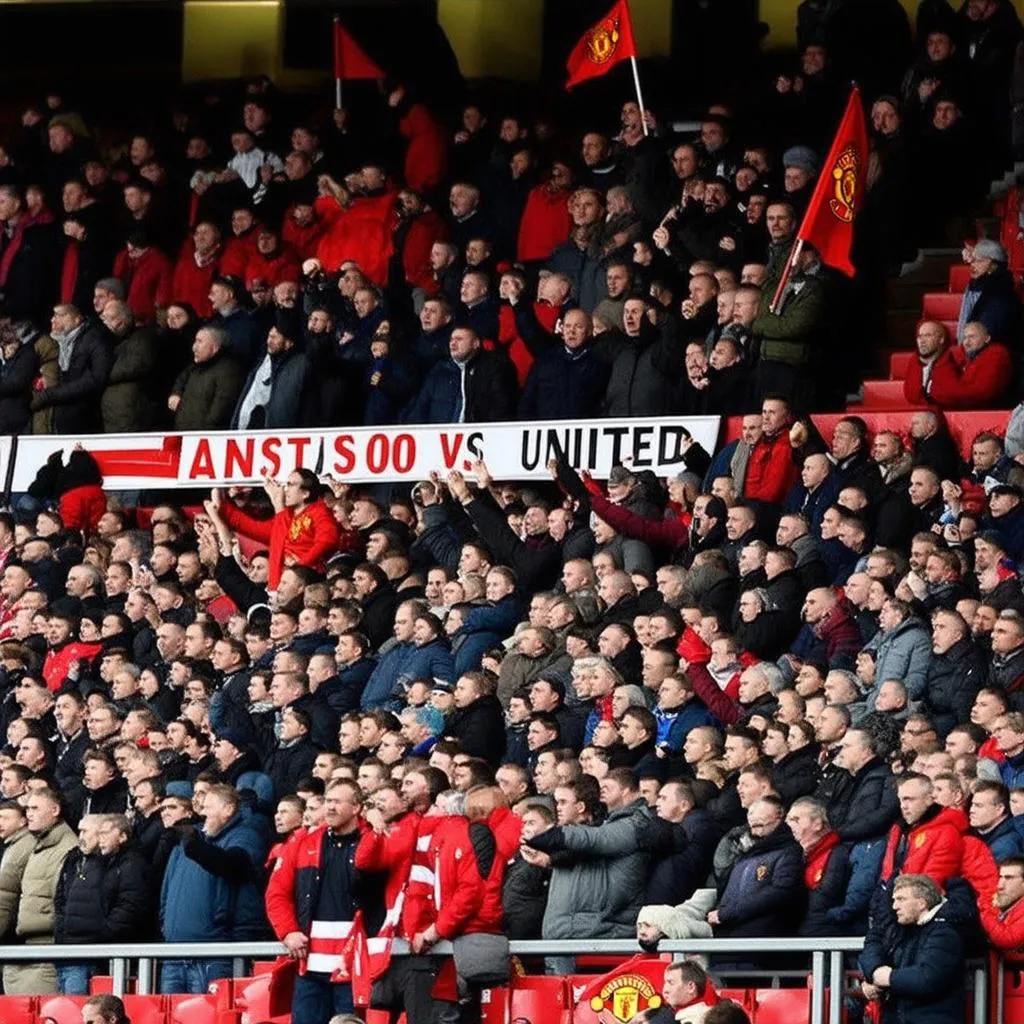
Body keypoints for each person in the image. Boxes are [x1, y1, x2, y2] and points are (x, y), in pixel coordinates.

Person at [265, 778, 370, 1023]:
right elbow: (276, 893)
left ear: (356, 807)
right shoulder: (302, 842)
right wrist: (288, 931)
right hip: (309, 966)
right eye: (328, 801)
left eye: (337, 802)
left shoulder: (372, 840)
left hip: (354, 966)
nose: (330, 808)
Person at [859, 873, 965, 1023]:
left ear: (922, 903)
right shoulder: (903, 930)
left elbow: (927, 978)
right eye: (894, 900)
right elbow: (873, 946)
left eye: (901, 899)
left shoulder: (944, 934)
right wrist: (875, 978)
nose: (894, 906)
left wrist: (888, 978)